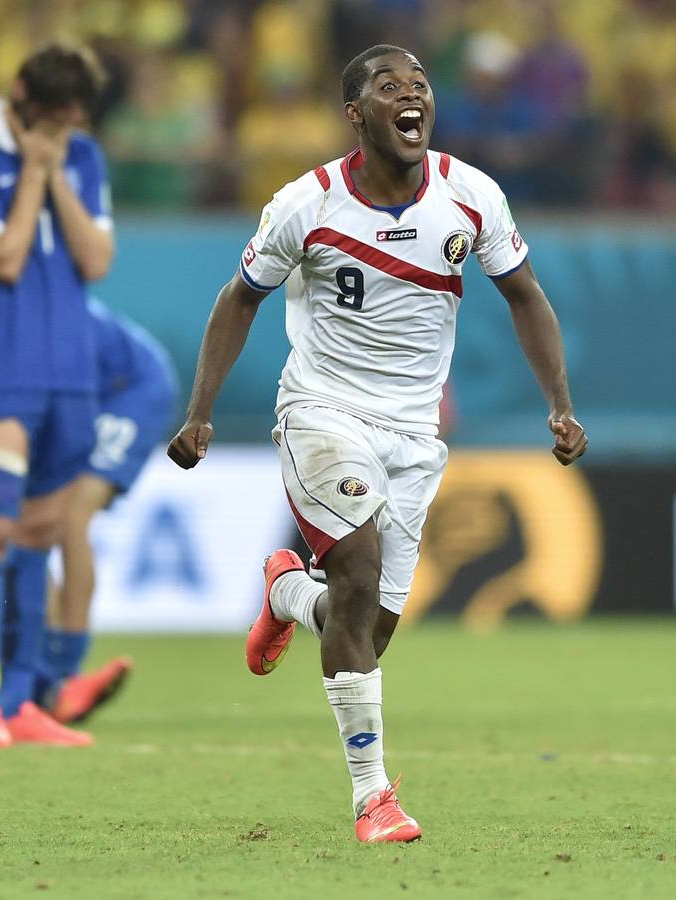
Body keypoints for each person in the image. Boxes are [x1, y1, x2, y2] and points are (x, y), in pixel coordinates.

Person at [167, 45, 587, 843]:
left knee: (362, 622)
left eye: (421, 87)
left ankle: (288, 594)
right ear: (356, 114)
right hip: (322, 411)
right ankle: (372, 798)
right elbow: (238, 300)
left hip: (413, 433)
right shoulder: (305, 203)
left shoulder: (470, 196)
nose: (411, 97)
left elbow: (524, 297)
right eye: (389, 88)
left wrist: (558, 406)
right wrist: (200, 414)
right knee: (355, 569)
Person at [0, 43, 114, 748]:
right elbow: (5, 258)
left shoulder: (83, 156)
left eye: (74, 121)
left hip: (70, 370)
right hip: (1, 370)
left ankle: (19, 701)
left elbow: (96, 261)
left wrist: (58, 172)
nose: (64, 132)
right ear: (22, 97)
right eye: (54, 119)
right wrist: (33, 177)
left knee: (40, 535)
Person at [38, 298, 179, 723]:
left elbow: (73, 394)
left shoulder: (55, 319)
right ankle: (44, 663)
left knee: (69, 517)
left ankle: (66, 668)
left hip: (133, 390)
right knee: (32, 523)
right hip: (97, 394)